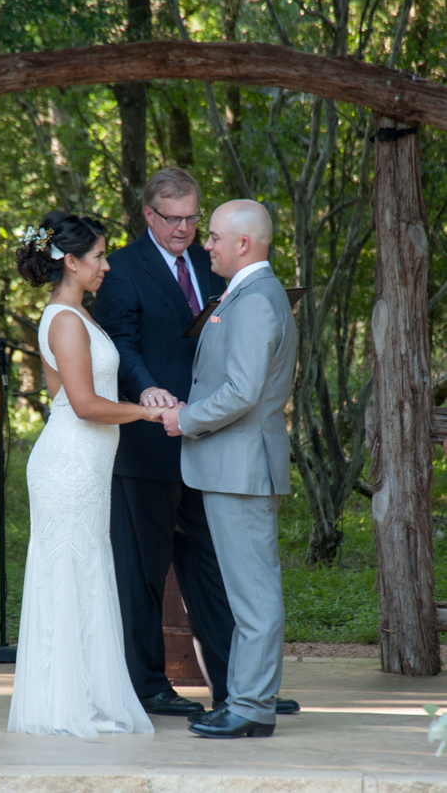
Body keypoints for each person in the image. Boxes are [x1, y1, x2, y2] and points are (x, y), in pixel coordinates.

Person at [8, 211, 164, 738]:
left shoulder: (80, 315)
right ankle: (62, 706)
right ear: (70, 262)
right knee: (68, 576)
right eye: (98, 256)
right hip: (69, 464)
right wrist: (146, 413)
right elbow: (83, 404)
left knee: (86, 576)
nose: (107, 264)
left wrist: (144, 397)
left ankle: (82, 698)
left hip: (88, 466)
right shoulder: (66, 319)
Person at [93, 167, 235, 717]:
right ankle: (147, 686)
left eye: (192, 218)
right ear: (149, 216)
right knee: (143, 573)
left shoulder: (210, 261)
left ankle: (236, 689)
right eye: (172, 219)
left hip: (206, 440)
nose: (184, 229)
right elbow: (119, 344)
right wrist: (147, 386)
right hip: (146, 443)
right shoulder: (121, 269)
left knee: (211, 570)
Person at [162, 200, 297, 739]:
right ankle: (244, 699)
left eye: (214, 236)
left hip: (240, 469)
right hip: (229, 468)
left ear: (244, 244)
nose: (205, 244)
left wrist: (186, 420)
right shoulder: (245, 295)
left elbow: (243, 391)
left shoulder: (256, 301)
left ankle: (252, 707)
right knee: (246, 593)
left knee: (253, 594)